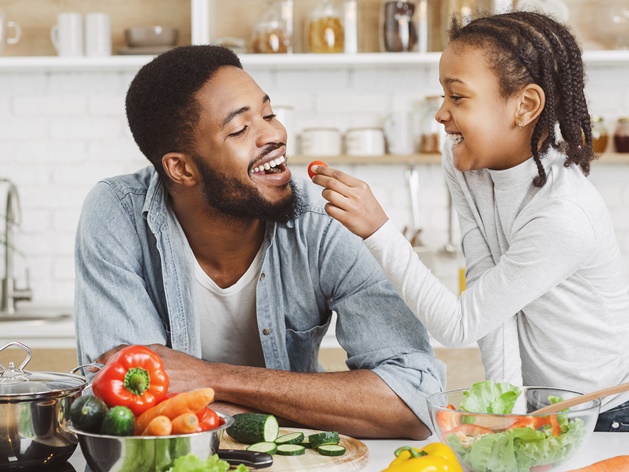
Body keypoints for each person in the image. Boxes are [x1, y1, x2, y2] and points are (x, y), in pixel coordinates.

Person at [73, 45, 445, 439]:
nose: (274, 134)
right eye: (239, 129)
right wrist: (320, 408)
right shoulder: (118, 213)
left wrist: (209, 378)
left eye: (268, 114)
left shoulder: (325, 221)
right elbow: (129, 407)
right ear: (181, 168)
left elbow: (415, 403)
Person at [311, 11, 629, 432]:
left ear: (524, 106)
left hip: (602, 413)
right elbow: (486, 298)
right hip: (540, 413)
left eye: (457, 97)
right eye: (442, 96)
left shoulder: (563, 215)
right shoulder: (466, 165)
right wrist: (509, 413)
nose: (441, 114)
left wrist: (379, 231)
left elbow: (458, 326)